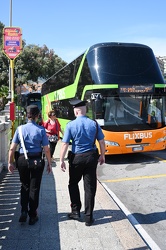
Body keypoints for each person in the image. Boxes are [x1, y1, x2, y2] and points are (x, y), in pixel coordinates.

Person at [60, 99, 105, 226]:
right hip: (91, 157)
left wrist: (62, 160)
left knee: (73, 183)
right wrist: (102, 155)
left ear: (76, 111)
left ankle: (75, 211)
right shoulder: (94, 124)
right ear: (85, 110)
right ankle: (89, 217)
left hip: (76, 159)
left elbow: (64, 144)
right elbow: (101, 142)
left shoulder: (70, 125)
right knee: (90, 187)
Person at [8, 105, 52, 225]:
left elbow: (12, 148)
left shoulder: (20, 129)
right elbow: (47, 149)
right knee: (34, 187)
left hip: (22, 160)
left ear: (26, 115)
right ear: (37, 115)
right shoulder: (41, 130)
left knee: (24, 185)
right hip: (37, 160)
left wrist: (10, 162)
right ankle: (33, 215)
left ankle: (23, 211)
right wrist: (49, 162)